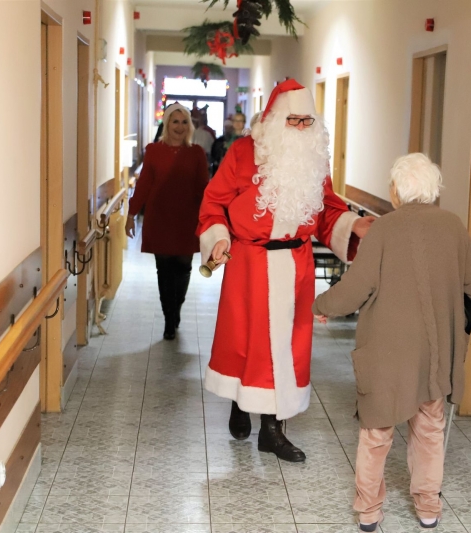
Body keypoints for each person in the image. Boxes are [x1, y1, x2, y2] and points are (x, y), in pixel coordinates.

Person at [197, 79, 375, 462]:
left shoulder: (314, 161)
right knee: (248, 342)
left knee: (289, 349)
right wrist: (218, 238)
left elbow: (326, 208)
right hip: (250, 264)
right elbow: (214, 201)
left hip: (297, 266)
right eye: (293, 120)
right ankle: (241, 403)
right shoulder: (244, 153)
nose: (299, 129)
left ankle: (273, 431)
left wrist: (351, 225)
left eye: (306, 122)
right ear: (275, 119)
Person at [311, 153, 471, 531]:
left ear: (396, 190)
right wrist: (457, 324)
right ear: (433, 189)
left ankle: (370, 511)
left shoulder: (385, 230)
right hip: (435, 351)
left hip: (388, 351)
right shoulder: (454, 226)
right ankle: (428, 508)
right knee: (429, 426)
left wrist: (322, 304)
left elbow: (356, 289)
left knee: (376, 431)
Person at [126, 103, 209, 340]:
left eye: (184, 122)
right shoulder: (153, 150)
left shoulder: (196, 153)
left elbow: (203, 188)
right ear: (166, 124)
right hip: (159, 217)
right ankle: (168, 319)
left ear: (189, 126)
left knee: (183, 268)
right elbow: (143, 186)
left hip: (187, 218)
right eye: (175, 121)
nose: (179, 127)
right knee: (164, 270)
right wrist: (131, 215)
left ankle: (177, 308)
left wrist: (210, 218)